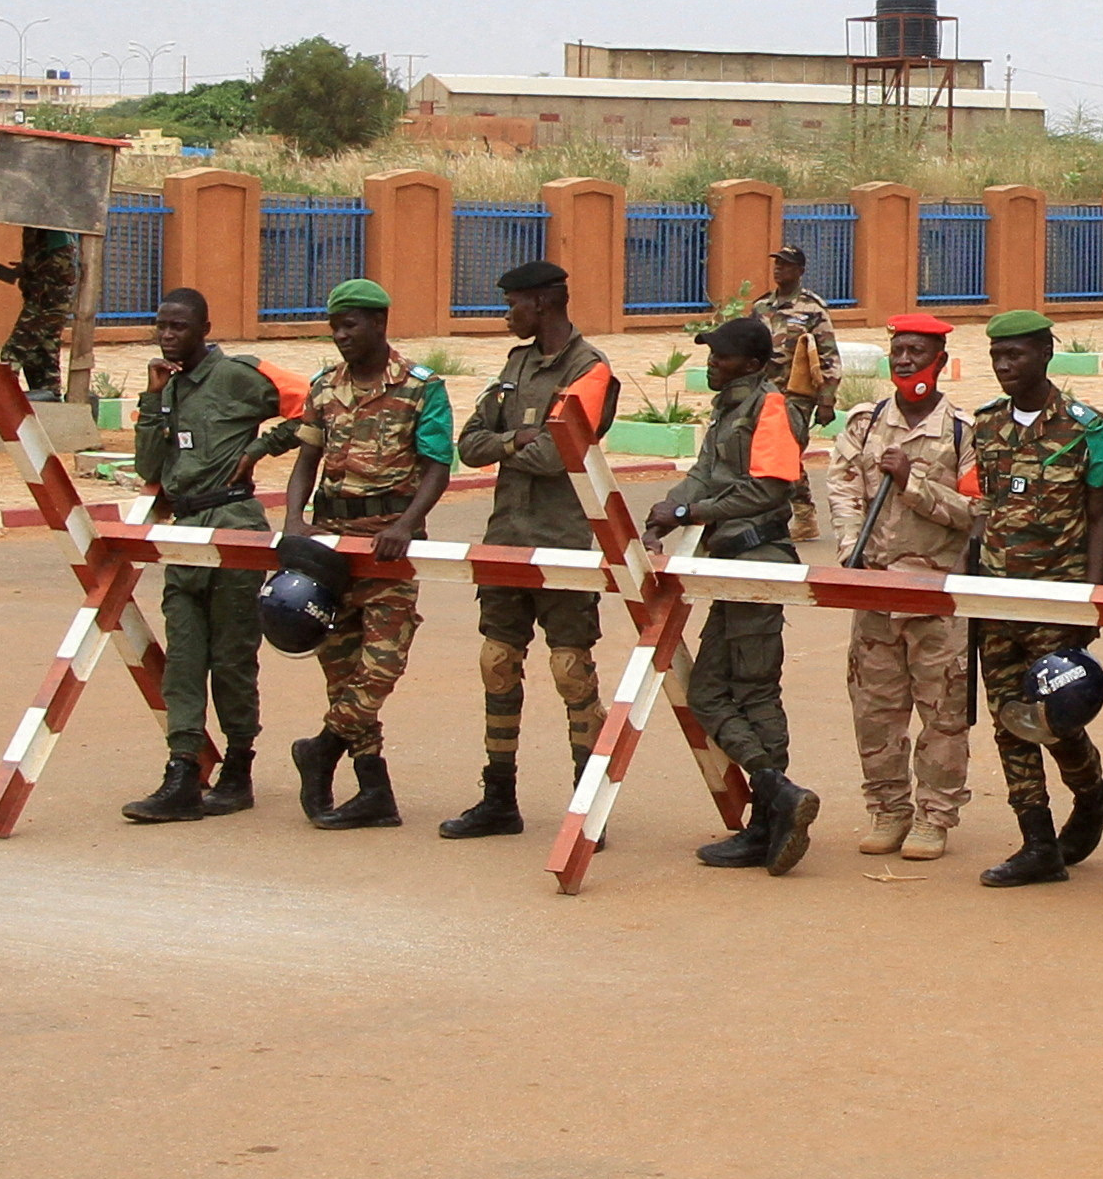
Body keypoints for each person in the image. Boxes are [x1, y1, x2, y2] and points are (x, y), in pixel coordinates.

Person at [442, 258, 614, 838]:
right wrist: (519, 437)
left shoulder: (591, 370)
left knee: (571, 671)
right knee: (497, 663)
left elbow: (557, 455)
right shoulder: (515, 365)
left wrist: (510, 443)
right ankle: (498, 798)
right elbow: (468, 444)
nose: (506, 313)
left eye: (512, 303)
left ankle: (587, 802)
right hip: (506, 541)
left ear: (541, 303)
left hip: (562, 544)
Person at [960, 308, 1103, 887]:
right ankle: (1036, 843)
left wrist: (1091, 601)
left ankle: (1092, 791)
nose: (1005, 366)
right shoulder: (985, 427)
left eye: (1017, 355)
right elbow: (988, 510)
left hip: (1056, 601)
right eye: (998, 357)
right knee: (1010, 720)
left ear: (1045, 354)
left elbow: (1100, 517)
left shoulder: (1087, 429)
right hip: (998, 600)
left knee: (1055, 719)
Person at [279, 279, 451, 830]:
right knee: (341, 665)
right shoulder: (325, 388)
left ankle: (321, 748)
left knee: (381, 664)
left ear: (379, 323)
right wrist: (293, 520)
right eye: (335, 326)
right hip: (331, 545)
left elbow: (437, 467)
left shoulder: (423, 388)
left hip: (389, 547)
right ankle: (373, 790)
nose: (340, 336)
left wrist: (406, 523)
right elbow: (307, 458)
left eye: (350, 325)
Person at [655, 311, 821, 873]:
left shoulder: (770, 408)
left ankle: (769, 815)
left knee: (752, 689)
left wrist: (691, 510)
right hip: (728, 564)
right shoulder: (729, 410)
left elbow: (767, 489)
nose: (710, 364)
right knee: (707, 691)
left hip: (759, 562)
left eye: (720, 356)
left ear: (751, 364)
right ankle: (775, 793)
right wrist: (667, 512)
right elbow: (702, 475)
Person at [123, 284, 291, 823]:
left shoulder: (236, 377)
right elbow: (151, 468)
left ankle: (238, 766)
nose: (168, 336)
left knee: (233, 657)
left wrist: (261, 448)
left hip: (235, 526)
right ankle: (182, 771)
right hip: (187, 531)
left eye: (179, 327)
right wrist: (152, 400)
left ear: (204, 330)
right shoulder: (167, 388)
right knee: (186, 658)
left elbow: (316, 404)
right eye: (162, 326)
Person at [818, 311, 979, 858]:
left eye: (917, 352)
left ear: (941, 362)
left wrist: (915, 484)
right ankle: (888, 808)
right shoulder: (864, 423)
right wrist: (849, 550)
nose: (905, 361)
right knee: (875, 708)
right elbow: (841, 486)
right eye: (898, 352)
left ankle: (935, 815)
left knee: (942, 711)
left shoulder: (962, 433)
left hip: (936, 596)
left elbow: (976, 513)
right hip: (875, 592)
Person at [748, 244, 840, 436]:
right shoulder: (761, 307)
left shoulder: (813, 309)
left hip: (795, 396)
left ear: (801, 271)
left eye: (786, 265)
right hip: (761, 392)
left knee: (789, 449)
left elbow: (828, 357)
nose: (778, 268)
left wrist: (826, 401)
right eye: (777, 264)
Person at [0, 226, 84, 402]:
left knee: (13, 353)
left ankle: (0, 404)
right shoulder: (42, 231)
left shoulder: (54, 233)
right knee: (42, 359)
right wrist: (25, 269)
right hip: (46, 303)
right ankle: (50, 407)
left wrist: (31, 267)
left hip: (46, 305)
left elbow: (61, 270)